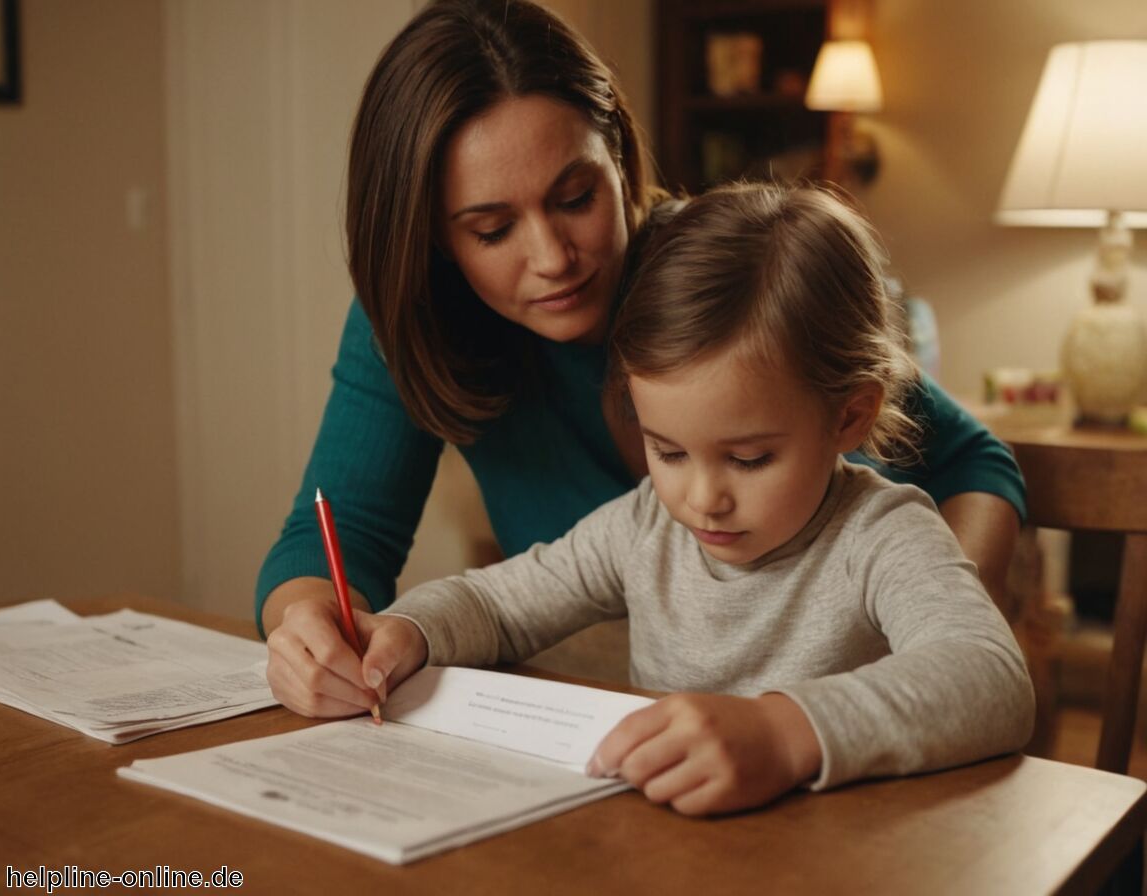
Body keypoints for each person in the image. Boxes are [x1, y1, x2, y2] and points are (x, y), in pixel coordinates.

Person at [260, 0, 1025, 715]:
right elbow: (364, 548)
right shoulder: (424, 325)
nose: (553, 257)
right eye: (492, 229)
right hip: (641, 736)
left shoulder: (726, 279)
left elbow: (970, 465)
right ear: (435, 239)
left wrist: (920, 643)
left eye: (574, 198)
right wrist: (316, 636)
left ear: (619, 159)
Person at [279, 181, 1034, 817]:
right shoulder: (645, 525)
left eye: (749, 457)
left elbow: (990, 676)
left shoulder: (882, 533)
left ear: (850, 416)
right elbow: (501, 605)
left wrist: (781, 733)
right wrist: (409, 631)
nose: (702, 498)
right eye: (666, 450)